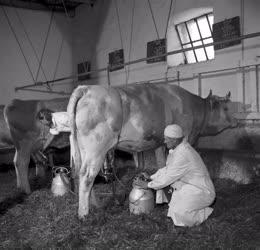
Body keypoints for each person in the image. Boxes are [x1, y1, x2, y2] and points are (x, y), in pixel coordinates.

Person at [134, 124, 216, 227]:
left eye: (167, 139)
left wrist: (148, 185)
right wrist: (151, 177)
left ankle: (203, 213)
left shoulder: (183, 153)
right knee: (173, 207)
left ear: (175, 140)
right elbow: (168, 170)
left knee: (179, 213)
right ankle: (188, 205)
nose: (164, 141)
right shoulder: (178, 149)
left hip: (202, 191)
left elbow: (169, 177)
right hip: (190, 186)